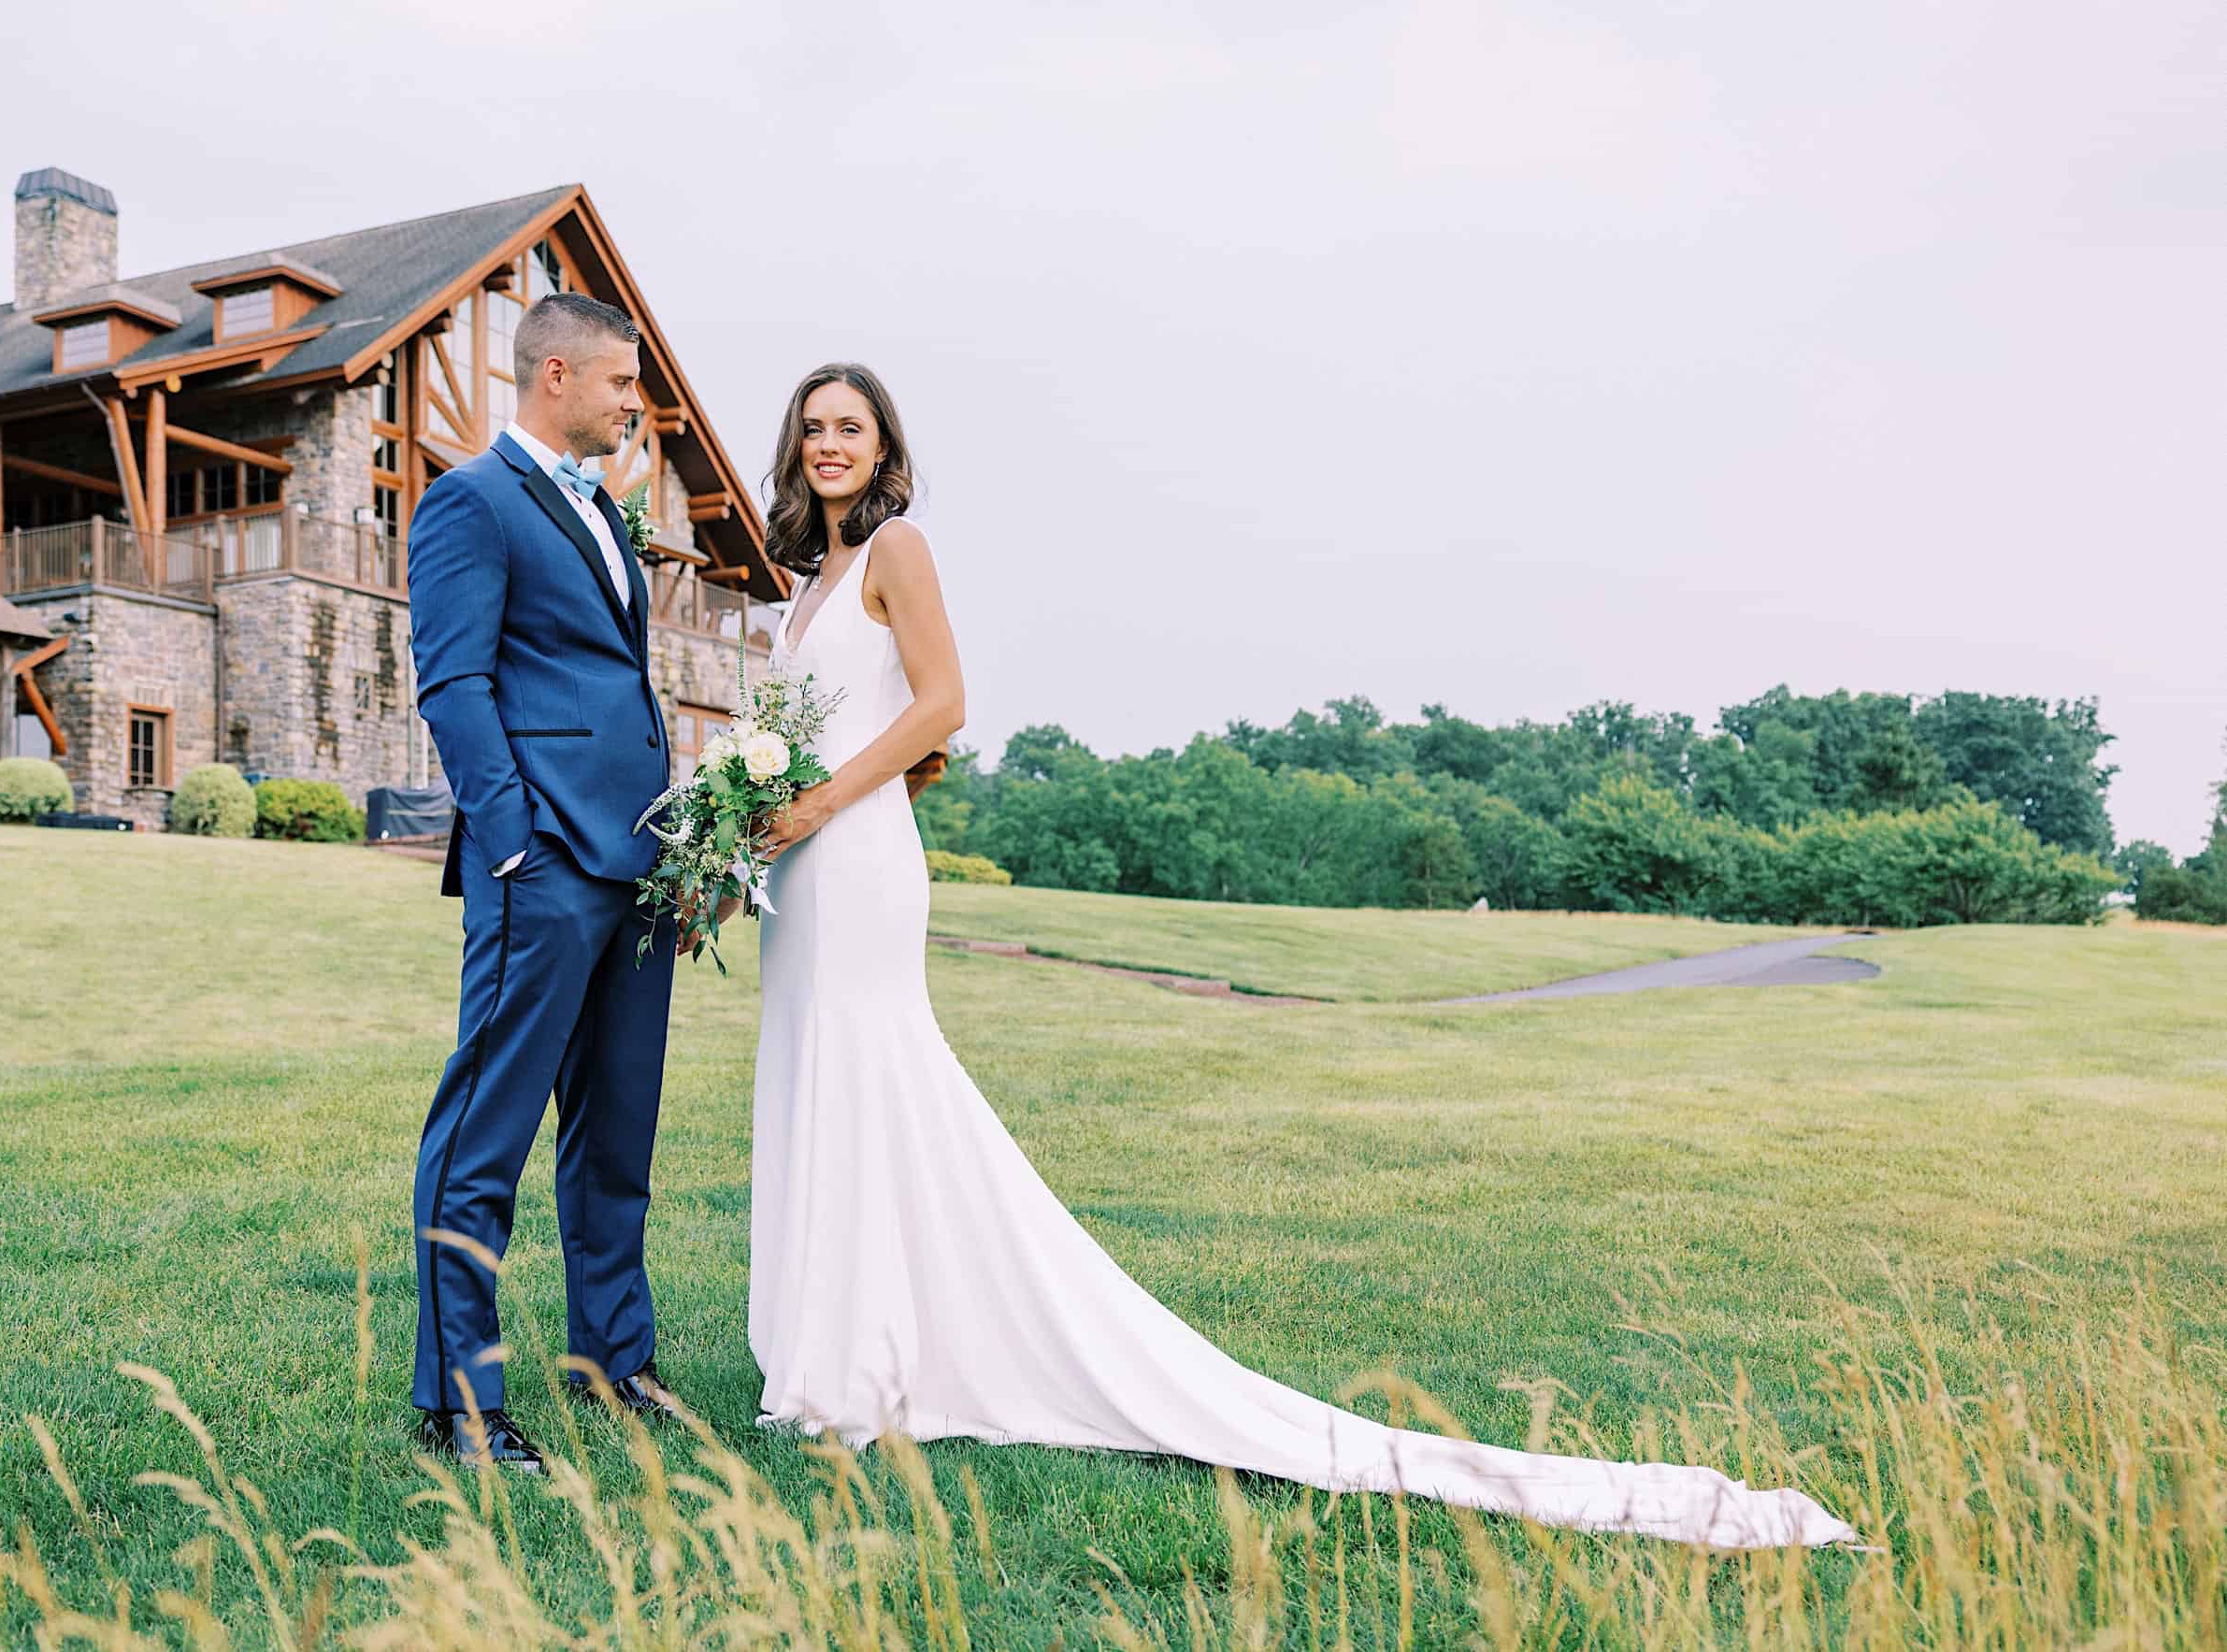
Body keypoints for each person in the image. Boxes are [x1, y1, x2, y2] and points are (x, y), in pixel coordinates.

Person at [742, 363, 1854, 1548]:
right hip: (798, 871)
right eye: (812, 428)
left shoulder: (898, 549)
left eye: (849, 427)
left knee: (871, 1072)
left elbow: (942, 704)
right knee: (816, 1075)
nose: (828, 445)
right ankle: (827, 1351)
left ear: (884, 445)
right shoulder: (804, 583)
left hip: (853, 858)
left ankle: (863, 1367)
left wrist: (817, 804)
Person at [404, 293, 682, 1472]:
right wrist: (512, 842)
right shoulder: (469, 503)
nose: (635, 405)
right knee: (488, 1136)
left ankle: (611, 1363)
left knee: (616, 1137)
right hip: (547, 867)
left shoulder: (606, 514)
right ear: (556, 374)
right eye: (623, 385)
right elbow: (454, 684)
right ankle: (460, 1404)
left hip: (641, 869)